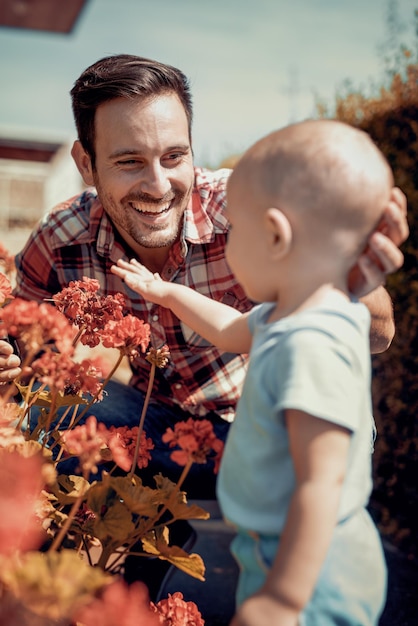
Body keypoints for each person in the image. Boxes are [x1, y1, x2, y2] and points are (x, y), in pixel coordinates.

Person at [0, 53, 407, 499]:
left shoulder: (250, 210)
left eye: (174, 156)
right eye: (129, 161)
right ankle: (135, 547)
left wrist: (339, 275)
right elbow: (21, 339)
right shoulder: (63, 237)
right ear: (86, 163)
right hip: (159, 435)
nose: (158, 186)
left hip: (269, 433)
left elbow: (378, 333)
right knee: (37, 412)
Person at [112, 118, 399, 625]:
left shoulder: (310, 345)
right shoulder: (299, 310)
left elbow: (320, 483)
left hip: (309, 569)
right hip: (278, 548)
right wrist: (164, 292)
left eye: (235, 232)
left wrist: (284, 599)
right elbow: (228, 328)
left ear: (275, 235)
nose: (227, 244)